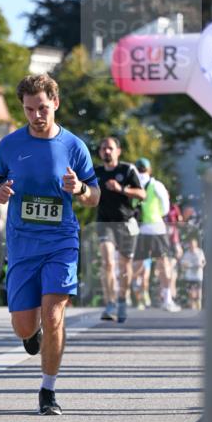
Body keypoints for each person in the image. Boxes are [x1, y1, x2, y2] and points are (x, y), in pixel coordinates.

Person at [0, 73, 99, 416]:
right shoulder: (10, 145)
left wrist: (79, 188)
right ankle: (31, 334)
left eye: (43, 108)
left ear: (56, 104)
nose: (37, 115)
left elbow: (94, 197)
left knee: (53, 316)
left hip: (61, 241)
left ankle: (47, 390)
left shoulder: (74, 146)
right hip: (22, 245)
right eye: (30, 109)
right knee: (25, 325)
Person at [95, 136, 145, 323]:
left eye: (110, 148)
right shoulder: (96, 172)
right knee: (108, 262)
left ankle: (123, 299)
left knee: (125, 266)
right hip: (104, 223)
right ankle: (110, 303)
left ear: (118, 151)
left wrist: (121, 189)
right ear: (100, 152)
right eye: (103, 148)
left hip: (125, 223)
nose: (106, 151)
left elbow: (142, 194)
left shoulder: (127, 169)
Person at [131, 158, 180, 312]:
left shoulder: (132, 185)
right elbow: (165, 209)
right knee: (163, 263)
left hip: (139, 229)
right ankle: (167, 299)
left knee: (137, 264)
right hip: (156, 228)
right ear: (149, 170)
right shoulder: (157, 185)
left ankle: (124, 293)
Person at [180, 234, 206, 310]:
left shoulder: (200, 252)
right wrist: (186, 265)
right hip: (189, 276)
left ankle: (199, 308)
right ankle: (192, 309)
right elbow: (183, 263)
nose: (192, 246)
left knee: (198, 294)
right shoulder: (187, 253)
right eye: (191, 244)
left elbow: (204, 262)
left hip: (198, 276)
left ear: (196, 244)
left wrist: (201, 265)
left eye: (193, 244)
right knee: (191, 294)